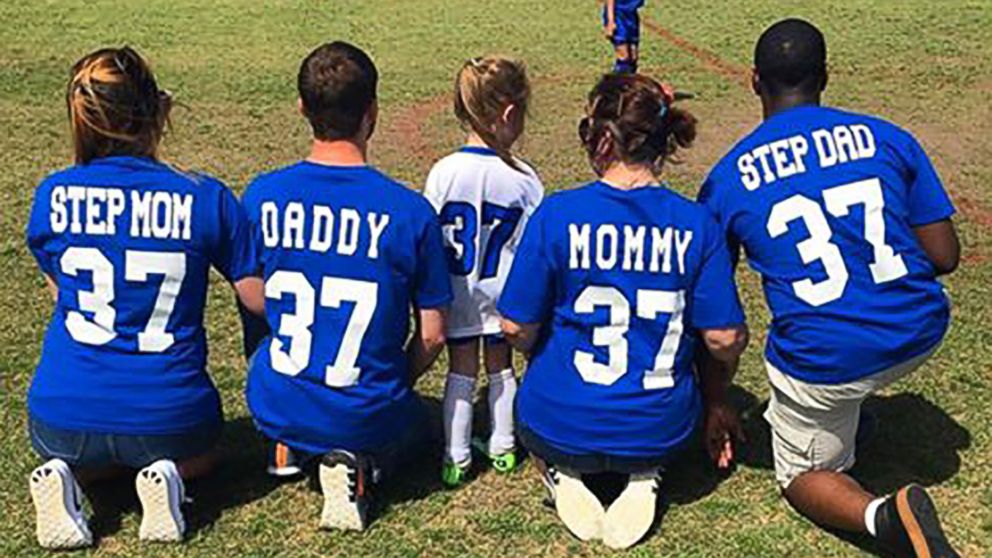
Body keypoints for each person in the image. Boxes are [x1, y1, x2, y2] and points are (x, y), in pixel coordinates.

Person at [698, 19, 961, 557]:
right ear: (825, 76)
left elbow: (715, 316)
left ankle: (884, 517)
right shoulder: (888, 137)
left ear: (754, 81)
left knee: (801, 474)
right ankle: (855, 408)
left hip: (827, 360)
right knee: (854, 367)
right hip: (920, 329)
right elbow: (944, 256)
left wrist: (715, 399)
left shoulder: (726, 178)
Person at [24, 46, 263, 549]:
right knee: (210, 453)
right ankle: (164, 476)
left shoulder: (52, 194)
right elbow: (256, 297)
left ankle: (69, 475)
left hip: (61, 411)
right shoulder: (204, 195)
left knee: (91, 446)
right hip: (170, 413)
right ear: (157, 111)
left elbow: (61, 294)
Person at [499, 73, 748, 549]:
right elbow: (724, 339)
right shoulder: (697, 224)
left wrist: (539, 345)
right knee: (658, 412)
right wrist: (716, 396)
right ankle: (644, 472)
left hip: (559, 419)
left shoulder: (557, 214)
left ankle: (563, 470)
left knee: (545, 408)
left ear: (604, 140)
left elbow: (515, 326)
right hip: (661, 426)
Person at [241, 41, 452, 532]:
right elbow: (433, 334)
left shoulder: (262, 195)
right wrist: (395, 378)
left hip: (278, 394)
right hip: (365, 406)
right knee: (423, 422)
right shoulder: (409, 212)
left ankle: (286, 445)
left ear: (301, 108)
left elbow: (251, 298)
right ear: (372, 111)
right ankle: (362, 468)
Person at [423, 56, 544, 487]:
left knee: (461, 371)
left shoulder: (443, 172)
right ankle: (504, 446)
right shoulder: (525, 179)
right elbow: (535, 246)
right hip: (504, 293)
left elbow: (430, 235)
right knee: (501, 368)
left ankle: (455, 456)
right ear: (508, 114)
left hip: (456, 291)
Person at [603, 0, 644, 73]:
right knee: (624, 56)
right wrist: (610, 21)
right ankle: (617, 81)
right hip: (618, 15)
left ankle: (630, 81)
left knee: (633, 57)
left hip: (631, 16)